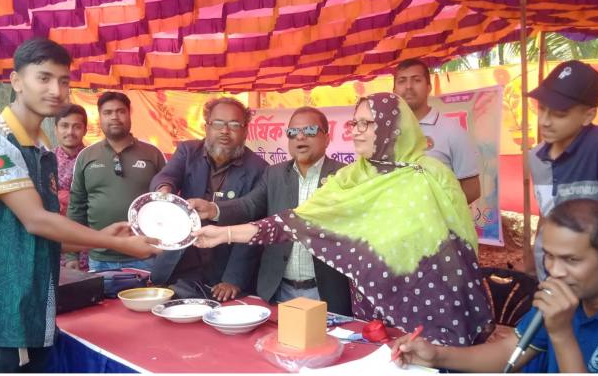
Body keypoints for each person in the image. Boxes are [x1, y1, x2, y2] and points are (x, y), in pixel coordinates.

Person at [194, 93, 492, 345]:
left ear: (394, 127)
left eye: (367, 123)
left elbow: (454, 245)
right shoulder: (353, 177)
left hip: (430, 302)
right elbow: (297, 222)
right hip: (370, 308)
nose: (357, 131)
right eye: (354, 123)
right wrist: (224, 233)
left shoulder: (428, 174)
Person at [0, 38, 160, 373]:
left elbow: (42, 234)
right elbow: (36, 220)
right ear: (17, 81)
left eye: (63, 81)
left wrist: (101, 235)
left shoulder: (42, 150)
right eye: (43, 78)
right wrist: (117, 244)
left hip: (34, 312)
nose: (56, 90)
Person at [393, 199, 598, 373]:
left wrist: (562, 334)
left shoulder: (563, 305)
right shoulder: (562, 296)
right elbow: (509, 351)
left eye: (571, 260)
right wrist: (437, 356)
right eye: (549, 256)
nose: (555, 271)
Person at [189, 106, 352, 314]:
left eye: (310, 130)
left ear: (327, 138)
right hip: (278, 291)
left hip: (326, 292)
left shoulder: (345, 176)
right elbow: (249, 205)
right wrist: (212, 209)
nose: (300, 136)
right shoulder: (274, 174)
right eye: (293, 132)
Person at [149, 97, 268, 302]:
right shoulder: (188, 151)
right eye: (218, 123)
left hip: (224, 269)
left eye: (234, 125)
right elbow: (166, 176)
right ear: (207, 127)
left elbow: (254, 226)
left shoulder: (259, 169)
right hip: (181, 263)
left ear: (245, 131)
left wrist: (233, 279)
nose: (225, 131)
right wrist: (164, 189)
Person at [527, 60, 598, 279]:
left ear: (589, 115)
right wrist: (533, 261)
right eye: (541, 109)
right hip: (547, 271)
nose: (544, 122)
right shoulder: (536, 157)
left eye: (559, 114)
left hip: (590, 281)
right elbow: (546, 214)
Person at [67, 92, 166, 272]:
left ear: (129, 114)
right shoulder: (86, 156)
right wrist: (72, 255)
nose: (114, 117)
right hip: (100, 257)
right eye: (108, 112)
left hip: (145, 255)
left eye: (120, 111)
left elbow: (167, 204)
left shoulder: (153, 154)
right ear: (100, 117)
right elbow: (76, 206)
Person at [393, 59, 480, 204]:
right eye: (402, 81)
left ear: (429, 87)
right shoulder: (383, 132)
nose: (408, 86)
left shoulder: (452, 130)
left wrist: (434, 211)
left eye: (416, 80)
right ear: (394, 90)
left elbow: (472, 189)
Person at [54, 104, 89, 270]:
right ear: (55, 129)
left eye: (77, 126)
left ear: (85, 130)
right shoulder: (44, 161)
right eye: (64, 126)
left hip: (90, 243)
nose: (70, 132)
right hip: (55, 240)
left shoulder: (94, 160)